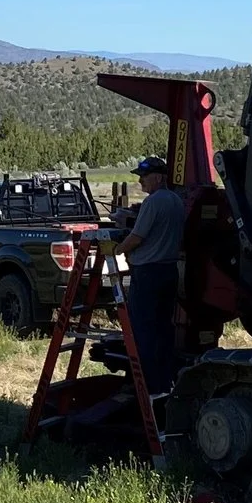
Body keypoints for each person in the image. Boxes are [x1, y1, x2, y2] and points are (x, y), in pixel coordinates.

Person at [105, 154, 186, 397]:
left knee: (143, 332)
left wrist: (117, 249)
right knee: (163, 330)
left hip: (148, 274)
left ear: (159, 177)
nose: (141, 182)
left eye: (145, 177)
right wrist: (128, 217)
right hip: (169, 272)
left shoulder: (154, 202)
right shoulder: (175, 200)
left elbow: (137, 237)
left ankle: (148, 389)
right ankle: (165, 383)